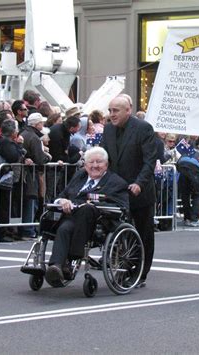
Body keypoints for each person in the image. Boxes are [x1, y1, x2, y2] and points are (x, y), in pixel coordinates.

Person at [44, 147, 129, 286]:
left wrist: (92, 206)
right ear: (85, 164)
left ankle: (71, 258)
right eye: (91, 162)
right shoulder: (79, 176)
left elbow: (122, 207)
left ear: (106, 164)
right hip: (71, 217)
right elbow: (62, 195)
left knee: (87, 208)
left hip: (98, 222)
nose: (95, 165)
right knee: (64, 228)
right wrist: (62, 201)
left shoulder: (116, 182)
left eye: (99, 162)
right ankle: (57, 266)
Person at [101, 95, 157, 287]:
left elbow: (150, 161)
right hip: (116, 192)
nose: (111, 114)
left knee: (143, 233)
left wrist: (139, 183)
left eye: (115, 110)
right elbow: (104, 157)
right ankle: (120, 266)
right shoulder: (108, 130)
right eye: (110, 110)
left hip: (139, 191)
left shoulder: (143, 129)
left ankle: (141, 273)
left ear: (128, 110)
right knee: (115, 230)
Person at [20, 113, 52, 239]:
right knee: (31, 201)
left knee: (29, 201)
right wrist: (47, 157)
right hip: (31, 174)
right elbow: (39, 158)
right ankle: (28, 229)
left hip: (26, 173)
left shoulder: (24, 134)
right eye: (41, 123)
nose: (42, 125)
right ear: (37, 124)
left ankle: (27, 228)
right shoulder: (34, 138)